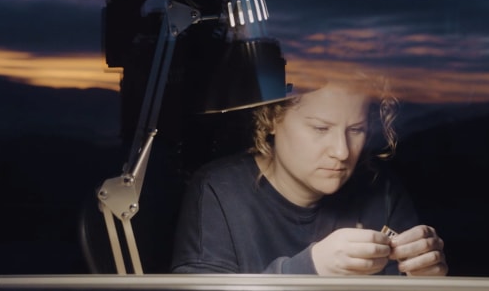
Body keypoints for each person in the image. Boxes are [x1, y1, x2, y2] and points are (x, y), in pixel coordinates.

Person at [170, 70, 448, 276]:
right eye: (320, 129)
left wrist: (430, 277)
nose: (342, 151)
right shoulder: (219, 190)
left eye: (356, 130)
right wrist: (310, 268)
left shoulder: (382, 189)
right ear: (271, 120)